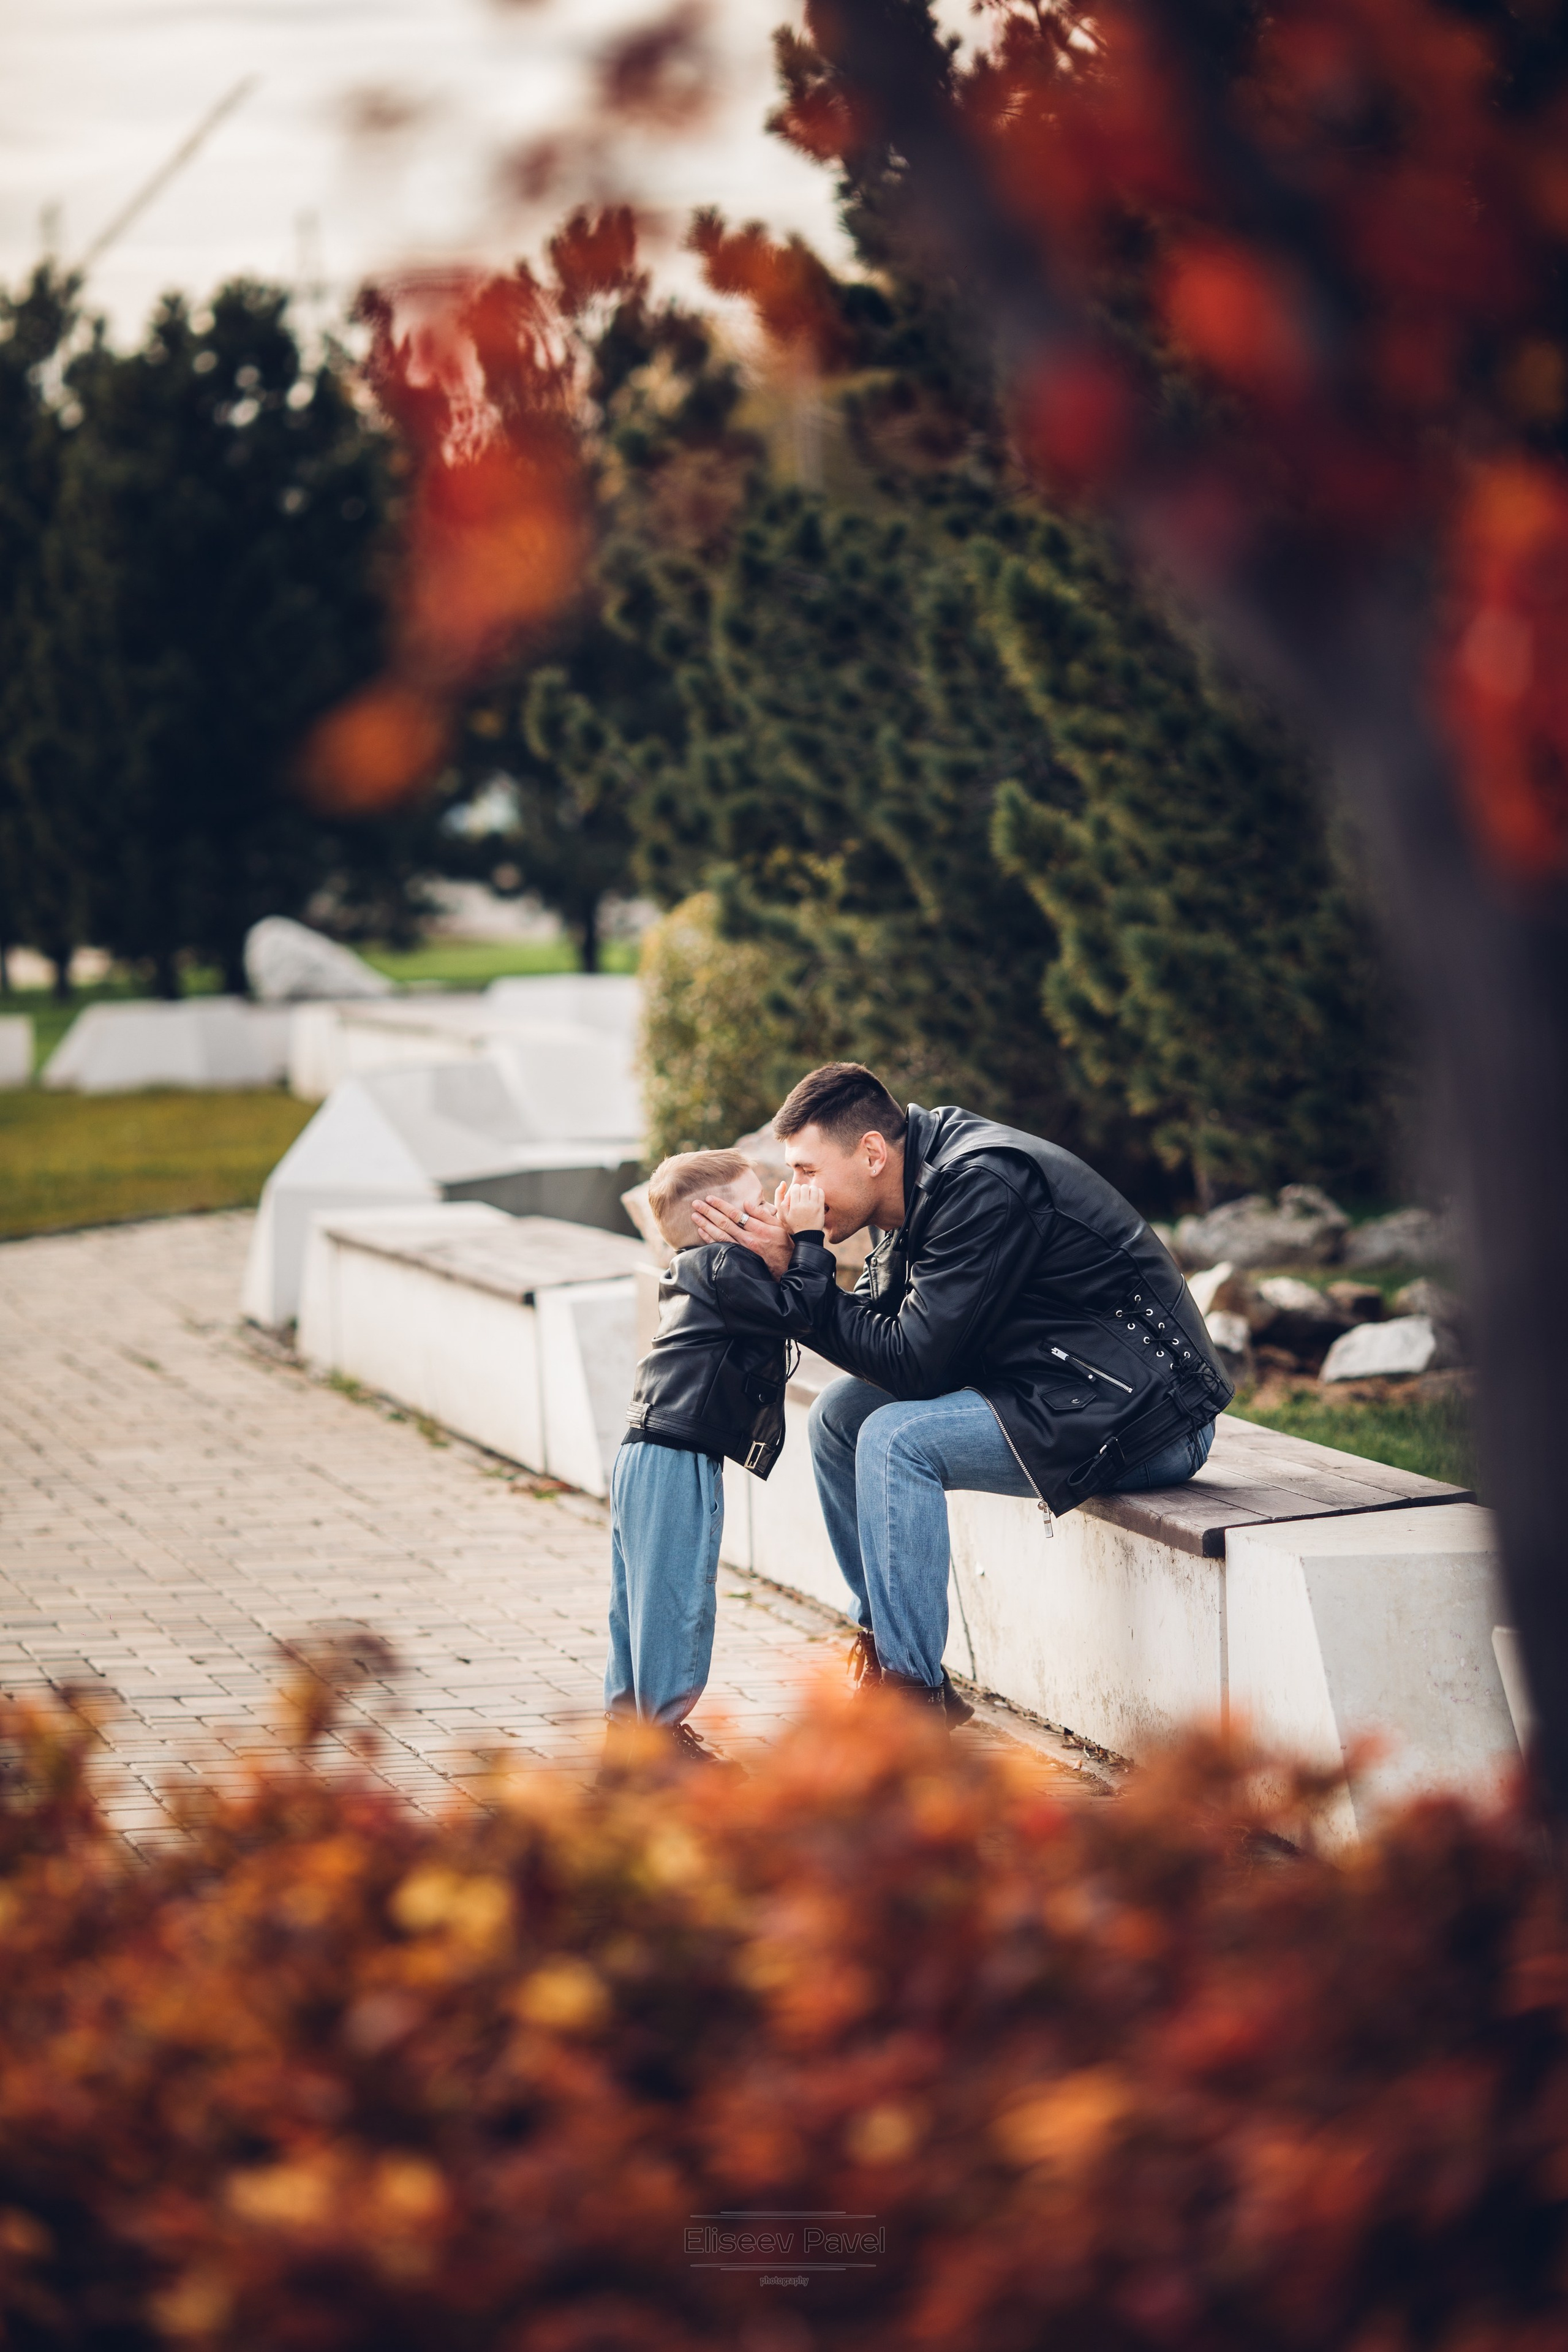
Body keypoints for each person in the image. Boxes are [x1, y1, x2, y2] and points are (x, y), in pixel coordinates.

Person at [690, 1064, 1232, 1716]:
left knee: (895, 1440)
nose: (793, 1192)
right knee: (840, 1416)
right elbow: (884, 1344)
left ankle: (911, 1700)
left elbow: (914, 1365)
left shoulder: (981, 1183)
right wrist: (793, 1272)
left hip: (1148, 1417)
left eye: (805, 1171)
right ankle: (886, 1647)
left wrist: (802, 1266)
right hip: (1051, 1393)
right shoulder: (909, 1190)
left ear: (870, 1153)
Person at [603, 1146, 835, 1765]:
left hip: (648, 1449)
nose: (770, 1211)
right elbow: (799, 1311)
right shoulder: (724, 1266)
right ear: (719, 1220)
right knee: (675, 1597)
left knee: (638, 1599)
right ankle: (661, 1747)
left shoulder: (698, 1268)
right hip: (675, 1454)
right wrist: (810, 1238)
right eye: (757, 1203)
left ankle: (629, 1738)